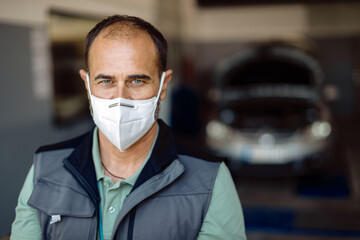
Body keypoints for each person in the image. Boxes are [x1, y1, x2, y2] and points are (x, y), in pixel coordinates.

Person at [10, 15, 246, 240]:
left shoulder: (209, 180)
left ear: (163, 86)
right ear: (87, 84)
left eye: (137, 81)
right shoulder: (44, 169)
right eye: (106, 81)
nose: (120, 98)